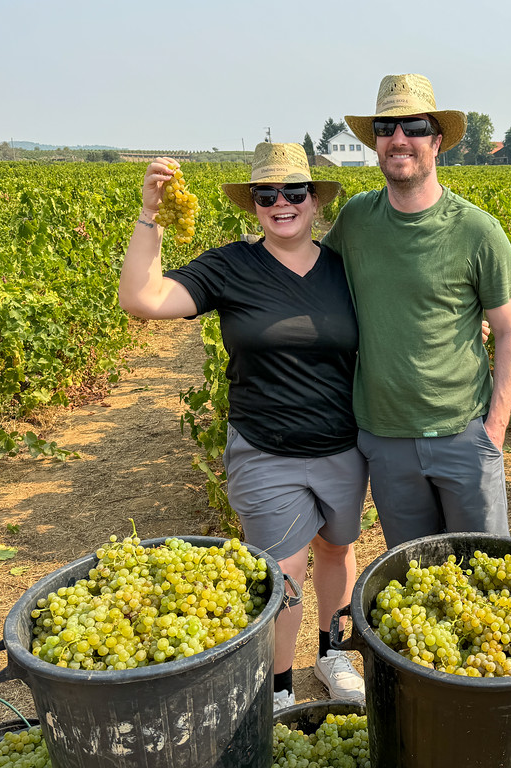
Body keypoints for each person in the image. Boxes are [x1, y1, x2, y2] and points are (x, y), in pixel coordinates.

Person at [118, 143, 365, 710]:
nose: (282, 203)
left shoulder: (346, 270)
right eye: (266, 194)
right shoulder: (231, 266)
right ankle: (278, 686)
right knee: (282, 569)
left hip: (344, 447)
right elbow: (142, 297)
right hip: (264, 450)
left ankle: (332, 654)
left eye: (294, 192)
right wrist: (149, 214)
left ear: (314, 200)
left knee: (337, 547)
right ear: (253, 204)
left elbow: (407, 315)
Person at [322, 73, 511, 549]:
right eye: (386, 128)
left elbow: (510, 333)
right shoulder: (355, 220)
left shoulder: (479, 232)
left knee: (485, 574)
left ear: (437, 141)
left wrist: (493, 431)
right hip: (385, 439)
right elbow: (308, 274)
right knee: (416, 579)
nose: (399, 139)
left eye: (413, 126)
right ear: (375, 143)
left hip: (463, 435)